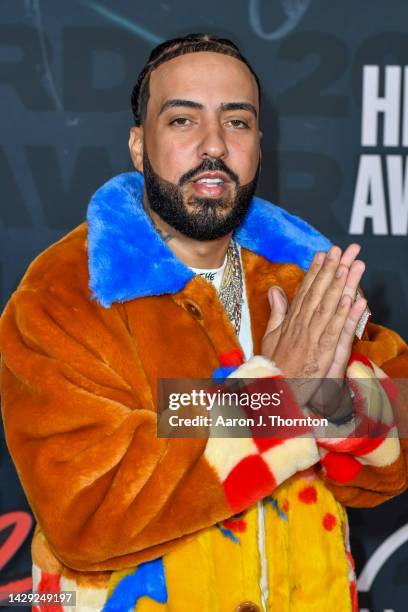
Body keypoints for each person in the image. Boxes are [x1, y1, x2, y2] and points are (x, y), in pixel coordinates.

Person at [1, 33, 407, 612]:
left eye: (237, 122)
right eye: (183, 120)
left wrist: (330, 398)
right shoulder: (66, 291)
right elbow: (88, 510)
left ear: (259, 145)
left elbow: (397, 440)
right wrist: (280, 397)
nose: (214, 144)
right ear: (140, 147)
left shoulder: (304, 272)